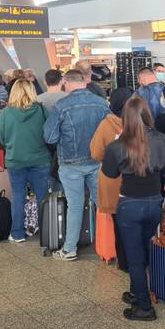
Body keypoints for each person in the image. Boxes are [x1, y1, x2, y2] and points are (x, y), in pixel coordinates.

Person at [102, 96, 165, 321]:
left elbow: (110, 173)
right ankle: (138, 291)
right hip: (155, 203)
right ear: (147, 115)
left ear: (125, 118)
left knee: (135, 258)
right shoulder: (161, 139)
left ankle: (144, 308)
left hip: (129, 206)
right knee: (144, 249)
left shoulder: (117, 145)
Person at [43, 69, 110, 261]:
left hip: (70, 163)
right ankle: (109, 245)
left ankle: (70, 249)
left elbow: (49, 136)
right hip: (97, 161)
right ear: (84, 82)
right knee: (102, 205)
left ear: (67, 83)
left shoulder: (62, 105)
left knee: (75, 206)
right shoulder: (101, 103)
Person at [0, 80, 50, 243]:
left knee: (18, 195)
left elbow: (2, 138)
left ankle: (17, 233)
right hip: (40, 158)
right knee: (42, 196)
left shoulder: (6, 112)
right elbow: (48, 134)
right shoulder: (41, 110)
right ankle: (46, 232)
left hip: (15, 160)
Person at [90, 87, 132, 270]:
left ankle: (122, 260)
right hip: (137, 180)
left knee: (117, 222)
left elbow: (96, 152)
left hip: (112, 179)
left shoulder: (106, 125)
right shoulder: (139, 123)